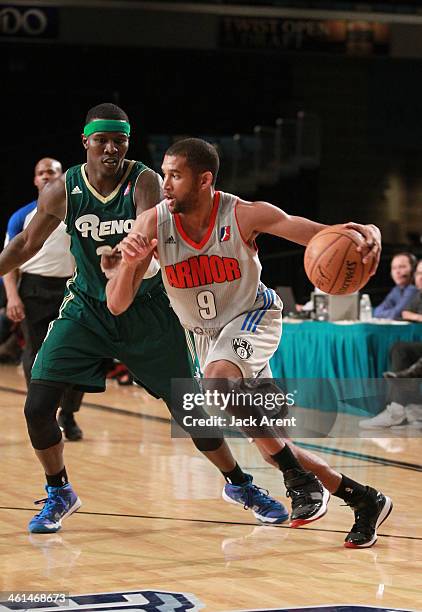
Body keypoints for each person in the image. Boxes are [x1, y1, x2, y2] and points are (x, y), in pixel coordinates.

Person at [0, 103, 301, 535]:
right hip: (87, 308)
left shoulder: (145, 181)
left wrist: (124, 259)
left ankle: (240, 484)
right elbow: (26, 243)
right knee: (37, 406)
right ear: (85, 141)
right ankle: (59, 490)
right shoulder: (62, 190)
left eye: (119, 141)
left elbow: (147, 227)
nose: (111, 149)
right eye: (102, 140)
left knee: (193, 412)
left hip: (148, 311)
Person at [107, 137, 393, 549]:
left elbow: (325, 236)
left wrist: (370, 232)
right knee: (274, 443)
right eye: (164, 174)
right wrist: (131, 262)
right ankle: (363, 498)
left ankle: (298, 482)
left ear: (204, 180)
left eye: (175, 175)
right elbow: (117, 305)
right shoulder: (152, 223)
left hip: (253, 318)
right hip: (206, 339)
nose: (165, 183)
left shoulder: (242, 214)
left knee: (217, 382)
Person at [2, 158, 84, 441]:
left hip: (73, 288)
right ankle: (41, 415)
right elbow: (11, 261)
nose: (46, 175)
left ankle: (69, 414)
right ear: (35, 180)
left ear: (62, 178)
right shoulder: (21, 216)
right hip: (34, 289)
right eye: (41, 172)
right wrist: (12, 295)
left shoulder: (76, 211)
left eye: (52, 171)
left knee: (79, 355)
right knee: (36, 354)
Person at [360, 259, 422, 429]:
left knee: (403, 349)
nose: (420, 277)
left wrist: (416, 317)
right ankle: (402, 409)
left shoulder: (411, 291)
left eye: (403, 267)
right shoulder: (417, 295)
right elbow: (388, 312)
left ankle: (408, 381)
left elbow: (403, 313)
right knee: (399, 348)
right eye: (419, 273)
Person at [373, 252, 417, 320]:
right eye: (394, 268)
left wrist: (387, 313)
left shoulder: (413, 289)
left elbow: (396, 314)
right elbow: (376, 312)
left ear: (413, 270)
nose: (397, 271)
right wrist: (391, 313)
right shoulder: (396, 290)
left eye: (402, 267)